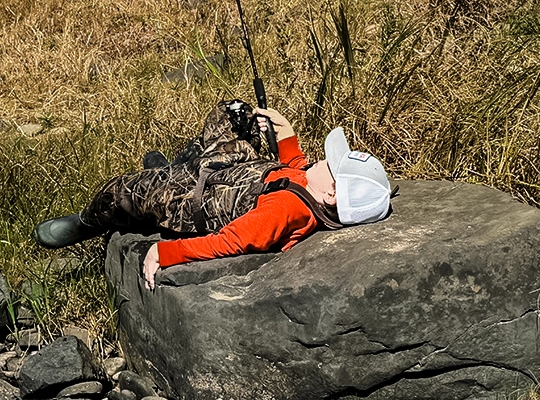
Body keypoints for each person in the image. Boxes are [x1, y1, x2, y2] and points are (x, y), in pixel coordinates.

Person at [33, 101, 392, 288]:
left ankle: (87, 222)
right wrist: (287, 136)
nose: (322, 160)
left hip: (195, 197)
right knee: (231, 113)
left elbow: (230, 242)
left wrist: (168, 251)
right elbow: (297, 170)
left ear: (330, 194)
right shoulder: (312, 190)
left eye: (329, 163)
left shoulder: (284, 211)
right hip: (233, 168)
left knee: (121, 190)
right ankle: (176, 165)